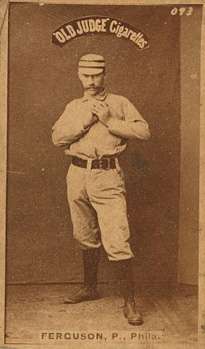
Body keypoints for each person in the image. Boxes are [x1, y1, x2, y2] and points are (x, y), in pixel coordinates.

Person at [52, 53, 151, 326]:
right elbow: (57, 137)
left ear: (105, 74)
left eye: (96, 75)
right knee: (83, 233)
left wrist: (109, 121)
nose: (91, 80)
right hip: (77, 173)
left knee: (117, 238)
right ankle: (90, 287)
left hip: (107, 174)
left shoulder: (119, 103)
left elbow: (144, 131)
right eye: (86, 75)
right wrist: (84, 122)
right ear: (79, 75)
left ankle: (129, 303)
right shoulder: (73, 106)